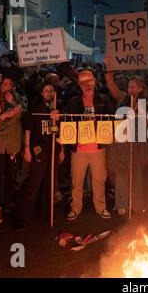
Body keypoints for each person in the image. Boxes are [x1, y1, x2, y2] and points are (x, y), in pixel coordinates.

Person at [60, 70, 112, 221]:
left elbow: (113, 120)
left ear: (95, 81)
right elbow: (66, 123)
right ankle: (75, 207)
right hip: (79, 149)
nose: (86, 85)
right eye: (83, 82)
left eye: (89, 81)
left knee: (99, 179)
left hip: (98, 148)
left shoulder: (103, 99)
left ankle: (101, 207)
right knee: (77, 180)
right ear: (79, 85)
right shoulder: (73, 102)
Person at [15, 81, 64, 230]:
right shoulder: (35, 107)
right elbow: (28, 130)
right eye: (46, 90)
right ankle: (23, 216)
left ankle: (47, 211)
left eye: (51, 91)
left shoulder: (57, 108)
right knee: (34, 183)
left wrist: (61, 149)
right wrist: (28, 149)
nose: (49, 93)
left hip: (53, 149)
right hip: (39, 149)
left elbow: (60, 131)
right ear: (41, 92)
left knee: (50, 183)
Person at [104, 67, 148, 216]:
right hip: (122, 142)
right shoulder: (123, 98)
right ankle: (122, 204)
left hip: (137, 143)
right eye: (128, 87)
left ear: (140, 89)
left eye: (132, 87)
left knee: (136, 173)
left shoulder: (147, 104)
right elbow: (112, 87)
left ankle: (136, 203)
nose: (129, 89)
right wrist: (108, 70)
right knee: (121, 173)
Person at [0, 75, 25, 224]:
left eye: (10, 84)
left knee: (12, 175)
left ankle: (9, 203)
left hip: (13, 143)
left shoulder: (19, 98)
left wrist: (13, 102)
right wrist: (4, 116)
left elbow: (24, 114)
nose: (7, 86)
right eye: (4, 84)